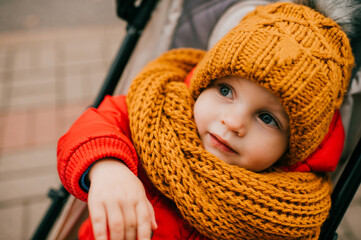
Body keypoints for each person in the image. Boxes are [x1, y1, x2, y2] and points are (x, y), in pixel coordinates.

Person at [57, 2, 356, 240]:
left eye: (267, 118)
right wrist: (108, 168)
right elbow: (94, 126)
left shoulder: (290, 214)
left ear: (294, 147)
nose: (233, 121)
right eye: (225, 90)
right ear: (203, 83)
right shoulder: (155, 112)